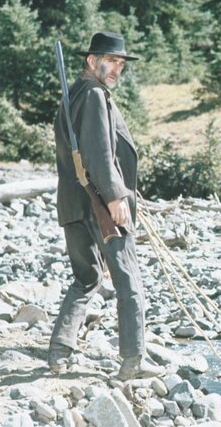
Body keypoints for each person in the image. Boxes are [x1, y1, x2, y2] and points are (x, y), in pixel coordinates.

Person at [49, 31, 163, 380]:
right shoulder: (96, 96)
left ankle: (59, 351)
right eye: (111, 61)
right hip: (101, 206)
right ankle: (133, 360)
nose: (116, 69)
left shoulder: (74, 96)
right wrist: (115, 197)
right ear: (90, 61)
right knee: (129, 280)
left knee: (87, 278)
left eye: (120, 64)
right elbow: (99, 153)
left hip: (73, 206)